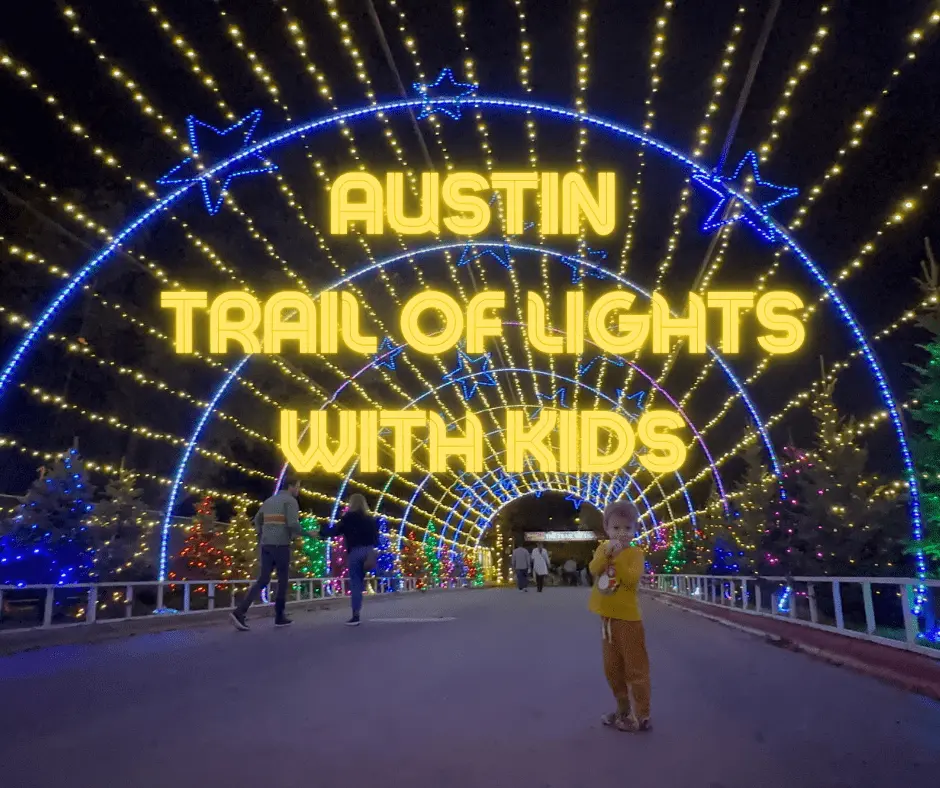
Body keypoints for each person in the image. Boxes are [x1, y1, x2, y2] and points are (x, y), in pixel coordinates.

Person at [588, 500, 651, 733]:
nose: (621, 533)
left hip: (628, 620)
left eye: (627, 528)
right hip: (607, 620)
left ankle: (641, 714)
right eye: (616, 528)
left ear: (635, 530)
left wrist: (619, 559)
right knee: (612, 668)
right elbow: (593, 569)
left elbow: (631, 579)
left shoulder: (635, 554)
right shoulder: (602, 549)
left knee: (635, 668)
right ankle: (623, 710)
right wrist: (606, 554)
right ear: (606, 528)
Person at [231, 476, 314, 630]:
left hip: (266, 544)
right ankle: (279, 616)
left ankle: (240, 611)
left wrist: (262, 534)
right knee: (283, 580)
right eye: (298, 485)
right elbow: (293, 524)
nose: (298, 489)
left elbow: (257, 519)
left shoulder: (269, 501)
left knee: (263, 579)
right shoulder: (290, 501)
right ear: (291, 486)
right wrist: (309, 533)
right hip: (281, 545)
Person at [319, 493, 379, 626]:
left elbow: (335, 531)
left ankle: (355, 615)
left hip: (355, 552)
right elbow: (376, 539)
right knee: (365, 578)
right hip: (368, 551)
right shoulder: (370, 519)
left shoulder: (348, 518)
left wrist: (319, 533)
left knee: (356, 583)